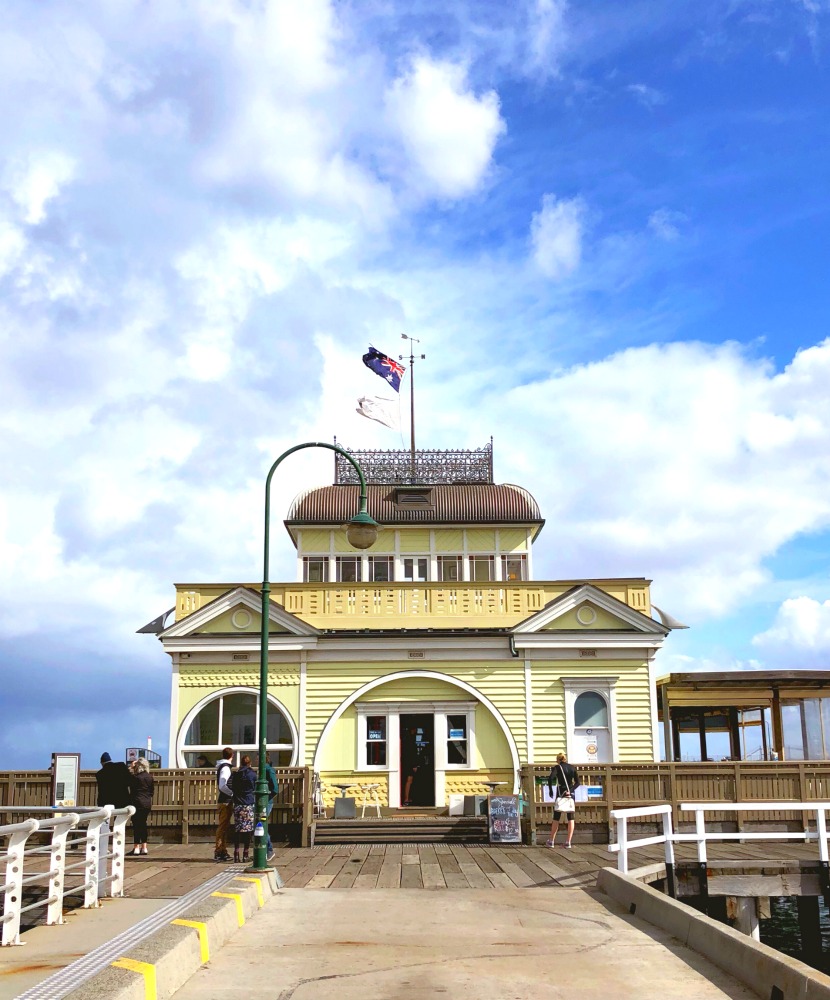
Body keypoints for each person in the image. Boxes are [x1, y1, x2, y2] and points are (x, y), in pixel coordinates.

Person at [547, 752, 580, 849]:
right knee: (571, 817)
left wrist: (550, 790)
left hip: (560, 793)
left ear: (558, 759)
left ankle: (551, 841)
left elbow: (550, 779)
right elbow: (578, 782)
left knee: (556, 817)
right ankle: (568, 841)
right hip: (570, 794)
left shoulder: (557, 768)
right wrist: (571, 790)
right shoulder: (572, 768)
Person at [229, 754, 257, 863]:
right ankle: (246, 852)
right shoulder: (253, 774)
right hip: (249, 803)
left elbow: (229, 784)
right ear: (250, 763)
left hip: (238, 803)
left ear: (241, 763)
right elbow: (255, 786)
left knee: (238, 828)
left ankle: (236, 851)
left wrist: (235, 792)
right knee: (248, 830)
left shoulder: (236, 774)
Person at [128, 757, 155, 855]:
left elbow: (128, 782)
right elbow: (151, 792)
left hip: (136, 802)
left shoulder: (136, 777)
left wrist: (131, 768)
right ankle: (144, 847)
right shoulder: (150, 777)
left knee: (136, 825)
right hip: (147, 803)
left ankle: (136, 847)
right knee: (143, 824)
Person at [214, 747, 234, 862]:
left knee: (224, 826)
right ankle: (219, 851)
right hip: (225, 800)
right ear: (232, 756)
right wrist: (231, 793)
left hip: (224, 800)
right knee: (223, 826)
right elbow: (222, 785)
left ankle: (222, 850)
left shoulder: (223, 766)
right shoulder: (226, 768)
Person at [264, 753, 279, 861]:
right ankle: (263, 850)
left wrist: (267, 797)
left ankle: (269, 850)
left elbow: (275, 789)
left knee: (261, 825)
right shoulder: (263, 770)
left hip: (266, 802)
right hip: (261, 801)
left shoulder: (269, 770)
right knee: (259, 825)